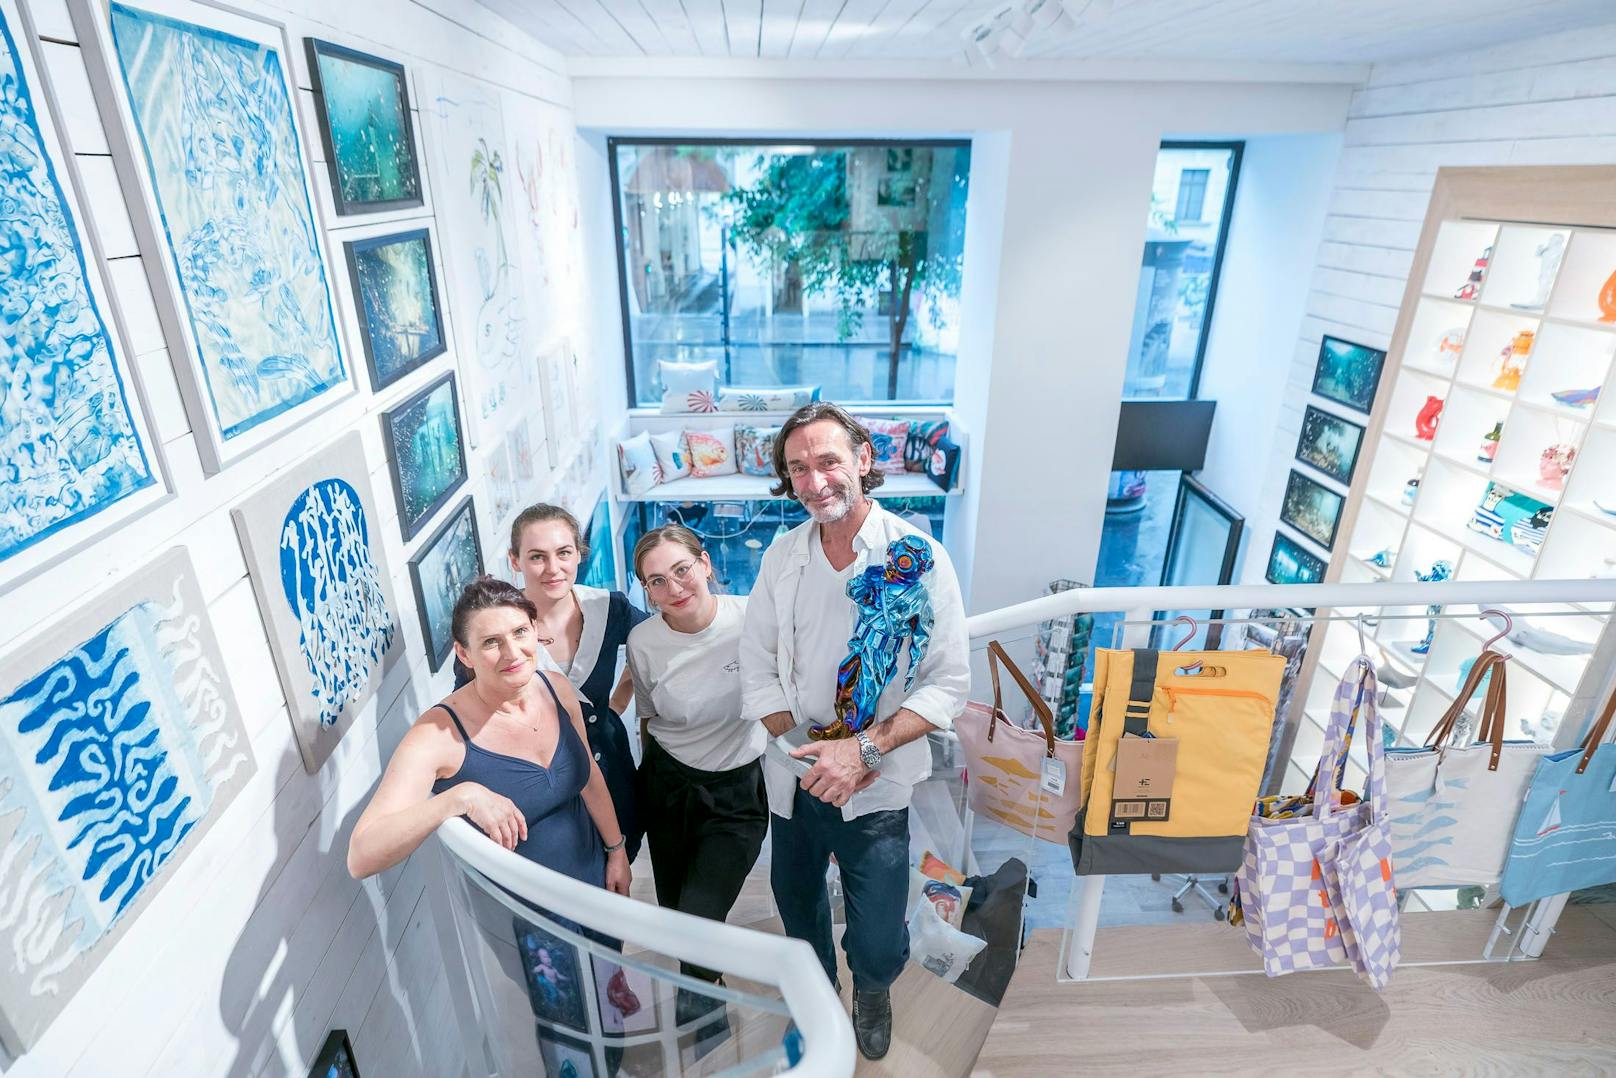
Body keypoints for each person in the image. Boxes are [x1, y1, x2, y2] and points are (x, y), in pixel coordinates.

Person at [739, 401, 969, 1061]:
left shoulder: (917, 560)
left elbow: (948, 684)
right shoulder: (781, 560)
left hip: (878, 786)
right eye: (798, 468)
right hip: (795, 781)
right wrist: (809, 756)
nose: (815, 482)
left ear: (863, 459)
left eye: (829, 461)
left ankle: (872, 990)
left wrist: (861, 751)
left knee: (877, 941)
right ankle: (817, 1007)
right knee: (798, 910)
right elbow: (757, 673)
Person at [347, 575, 631, 898]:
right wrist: (459, 798)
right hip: (521, 920)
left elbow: (589, 778)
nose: (512, 653)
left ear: (535, 631)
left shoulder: (557, 688)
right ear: (464, 654)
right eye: (491, 642)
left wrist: (617, 850)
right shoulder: (438, 734)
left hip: (595, 886)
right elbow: (362, 855)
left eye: (520, 632)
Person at [455, 504, 647, 862]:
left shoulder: (610, 608)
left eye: (563, 553)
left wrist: (616, 706)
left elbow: (657, 642)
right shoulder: (494, 632)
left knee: (620, 870)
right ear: (516, 561)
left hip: (610, 773)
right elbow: (472, 717)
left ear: (578, 553)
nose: (553, 568)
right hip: (543, 790)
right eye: (537, 557)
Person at [626, 525, 767, 990]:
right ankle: (704, 999)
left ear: (704, 563)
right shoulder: (643, 643)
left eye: (681, 569)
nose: (674, 587)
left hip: (737, 792)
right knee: (676, 919)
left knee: (699, 916)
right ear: (646, 591)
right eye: (656, 581)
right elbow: (648, 718)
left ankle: (708, 1020)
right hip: (668, 785)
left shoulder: (753, 619)